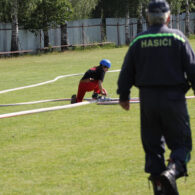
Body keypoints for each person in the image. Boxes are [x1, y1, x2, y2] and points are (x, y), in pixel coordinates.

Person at [117, 0, 195, 194]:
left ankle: (160, 187)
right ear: (168, 17)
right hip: (174, 99)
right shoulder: (177, 38)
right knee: (182, 145)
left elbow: (126, 70)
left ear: (147, 17)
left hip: (148, 100)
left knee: (153, 147)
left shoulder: (138, 40)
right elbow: (192, 67)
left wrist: (124, 95)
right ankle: (172, 172)